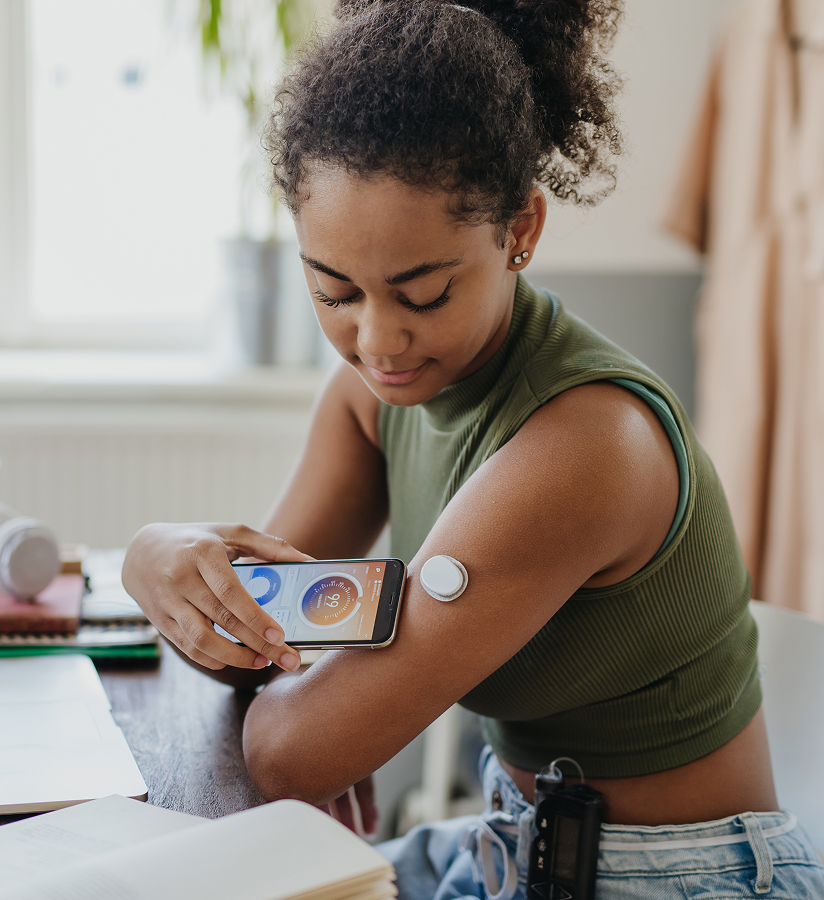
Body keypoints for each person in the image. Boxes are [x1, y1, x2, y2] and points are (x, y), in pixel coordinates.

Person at [122, 1, 824, 896]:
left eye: (422, 294)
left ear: (520, 231)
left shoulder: (586, 447)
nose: (378, 341)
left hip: (676, 879)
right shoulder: (372, 401)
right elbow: (255, 638)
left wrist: (313, 698)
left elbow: (292, 749)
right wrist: (155, 558)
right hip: (513, 843)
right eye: (335, 291)